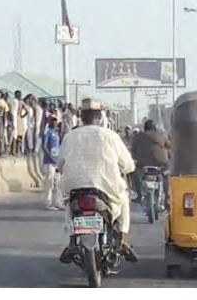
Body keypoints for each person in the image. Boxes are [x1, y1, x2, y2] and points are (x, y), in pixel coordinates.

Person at [58, 105, 138, 263]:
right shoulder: (110, 136)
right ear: (100, 118)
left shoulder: (69, 136)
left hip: (75, 186)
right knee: (124, 201)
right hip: (106, 187)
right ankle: (123, 238)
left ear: (81, 118)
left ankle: (72, 239)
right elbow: (129, 166)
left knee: (68, 204)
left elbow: (60, 164)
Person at [131, 119, 172, 201]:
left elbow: (133, 150)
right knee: (166, 177)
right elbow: (169, 145)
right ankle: (167, 198)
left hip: (143, 164)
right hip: (161, 163)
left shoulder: (138, 136)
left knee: (134, 173)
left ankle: (139, 195)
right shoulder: (161, 135)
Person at [42, 118, 62, 210]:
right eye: (53, 122)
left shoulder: (57, 133)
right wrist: (49, 156)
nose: (55, 124)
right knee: (49, 183)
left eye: (55, 122)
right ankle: (48, 203)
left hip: (56, 162)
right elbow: (44, 145)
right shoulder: (48, 132)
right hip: (49, 161)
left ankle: (57, 202)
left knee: (58, 183)